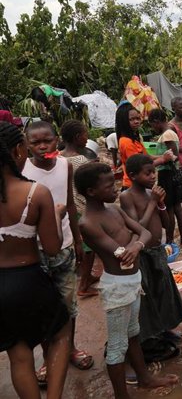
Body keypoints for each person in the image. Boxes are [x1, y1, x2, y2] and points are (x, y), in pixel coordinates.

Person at [75, 162, 178, 399]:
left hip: (133, 279)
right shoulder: (87, 222)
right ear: (91, 191)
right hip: (117, 287)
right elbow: (118, 252)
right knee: (117, 346)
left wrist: (136, 245)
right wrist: (133, 245)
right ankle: (122, 395)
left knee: (134, 333)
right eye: (109, 184)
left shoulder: (114, 209)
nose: (116, 187)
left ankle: (144, 378)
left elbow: (144, 233)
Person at [0, 121, 71, 399]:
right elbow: (52, 249)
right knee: (61, 333)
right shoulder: (34, 193)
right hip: (27, 279)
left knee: (18, 355)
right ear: (19, 150)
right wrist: (58, 213)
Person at [22, 121, 94, 382]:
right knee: (43, 306)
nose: (42, 147)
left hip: (64, 247)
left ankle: (70, 348)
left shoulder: (66, 165)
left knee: (68, 304)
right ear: (26, 145)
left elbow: (71, 205)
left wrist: (77, 239)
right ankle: (47, 356)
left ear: (56, 141)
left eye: (47, 141)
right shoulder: (22, 169)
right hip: (34, 250)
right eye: (35, 143)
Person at [119, 155, 182, 364]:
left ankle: (165, 330)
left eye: (153, 172)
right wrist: (152, 203)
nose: (152, 176)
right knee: (147, 296)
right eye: (147, 173)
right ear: (132, 176)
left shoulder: (152, 195)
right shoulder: (127, 196)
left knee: (163, 291)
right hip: (143, 253)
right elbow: (137, 226)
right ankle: (150, 336)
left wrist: (162, 205)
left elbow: (166, 224)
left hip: (157, 250)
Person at [60, 120, 100, 298]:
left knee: (79, 242)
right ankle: (83, 285)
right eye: (85, 135)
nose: (87, 138)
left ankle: (87, 276)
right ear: (77, 137)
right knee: (89, 246)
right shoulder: (79, 159)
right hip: (80, 206)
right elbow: (88, 182)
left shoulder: (59, 157)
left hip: (67, 207)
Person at [148, 109, 182, 246]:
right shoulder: (170, 133)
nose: (153, 129)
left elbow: (173, 156)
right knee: (177, 209)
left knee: (170, 209)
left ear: (156, 122)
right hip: (173, 175)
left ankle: (170, 241)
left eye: (152, 126)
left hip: (168, 175)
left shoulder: (167, 134)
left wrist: (163, 161)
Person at [115, 102, 172, 191]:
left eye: (138, 118)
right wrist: (163, 160)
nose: (136, 121)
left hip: (141, 183)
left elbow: (146, 157)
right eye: (132, 119)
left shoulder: (135, 139)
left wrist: (162, 156)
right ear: (123, 121)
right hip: (132, 186)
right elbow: (139, 168)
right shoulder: (126, 142)